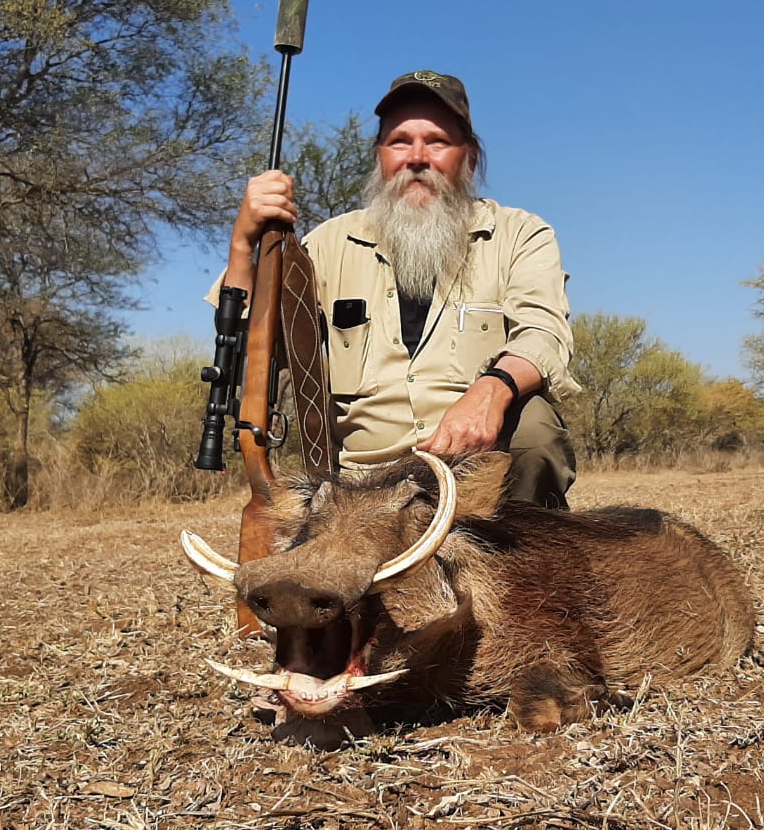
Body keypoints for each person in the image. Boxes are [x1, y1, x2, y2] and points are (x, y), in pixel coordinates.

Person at [218, 70, 580, 507]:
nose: (417, 157)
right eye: (400, 141)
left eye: (438, 141)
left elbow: (543, 334)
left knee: (535, 429)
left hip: (478, 472)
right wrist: (243, 245)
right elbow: (254, 351)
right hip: (361, 486)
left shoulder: (520, 234)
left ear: (470, 157)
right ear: (380, 156)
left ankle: (522, 561)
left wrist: (491, 390)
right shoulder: (327, 245)